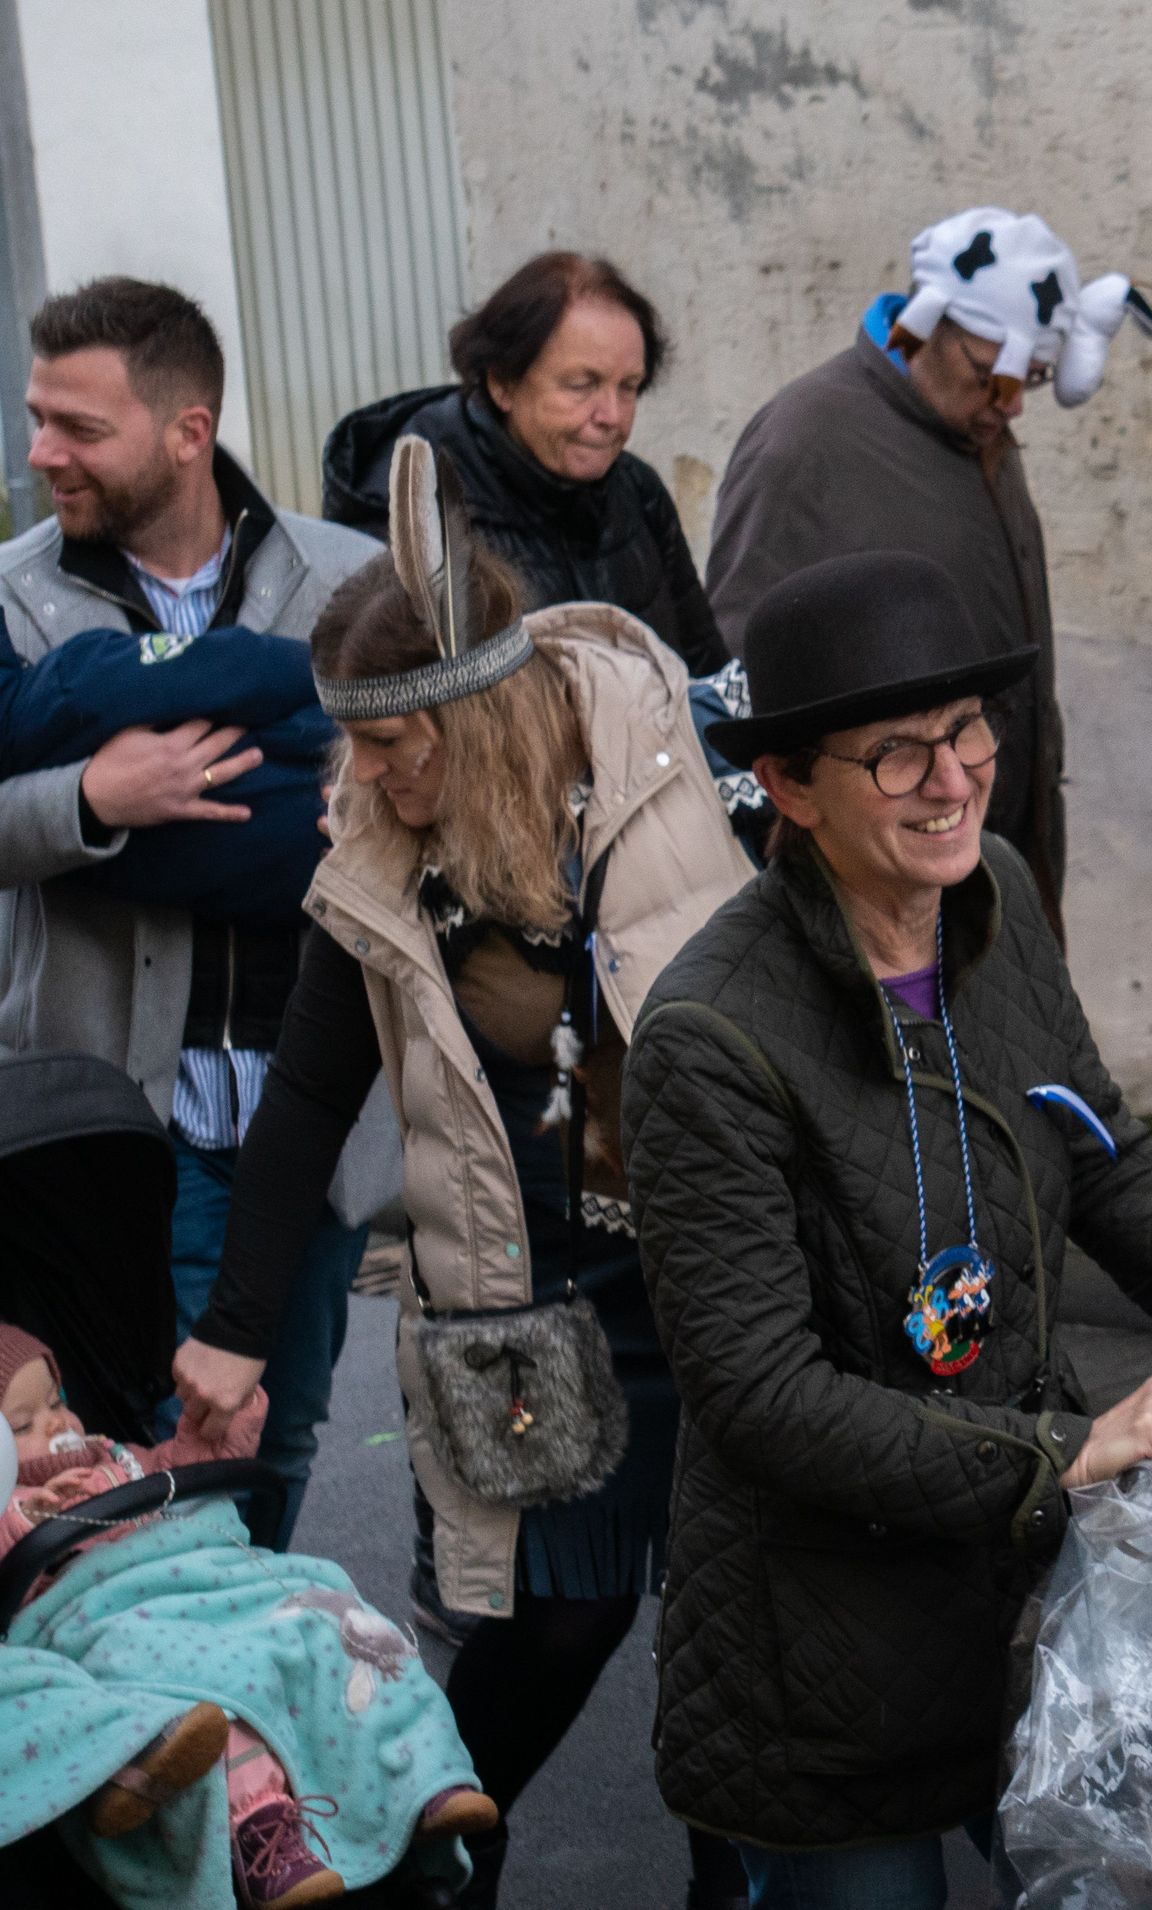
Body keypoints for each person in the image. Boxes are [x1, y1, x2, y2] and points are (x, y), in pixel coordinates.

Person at [619, 549, 1152, 1906]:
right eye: (900, 752)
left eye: (971, 730)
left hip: (1021, 1597)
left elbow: (1098, 1157)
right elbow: (760, 1392)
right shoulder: (706, 1035)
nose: (956, 776)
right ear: (793, 788)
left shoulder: (995, 904)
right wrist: (1065, 1447)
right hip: (821, 1649)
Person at [165, 439, 753, 1906]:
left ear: (478, 717)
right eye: (353, 745)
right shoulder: (379, 851)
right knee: (555, 1622)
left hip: (715, 1285)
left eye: (390, 743)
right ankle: (432, 1865)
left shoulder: (666, 783)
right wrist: (234, 1330)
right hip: (522, 1298)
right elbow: (307, 1095)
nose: (359, 778)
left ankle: (739, 1886)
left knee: (739, 1628)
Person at [0, 277, 384, 1544]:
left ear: (185, 430)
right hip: (114, 1123)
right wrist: (90, 798)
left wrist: (362, 816)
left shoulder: (348, 579)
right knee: (112, 1471)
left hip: (304, 1117)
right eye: (38, 417)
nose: (43, 450)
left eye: (78, 426)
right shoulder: (14, 598)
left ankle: (235, 1714)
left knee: (278, 1442)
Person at [706, 206, 1152, 939]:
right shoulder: (805, 442)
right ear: (926, 326)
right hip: (874, 891)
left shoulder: (978, 429)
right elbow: (736, 675)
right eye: (991, 376)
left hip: (1000, 867)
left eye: (1032, 381)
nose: (1009, 406)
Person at [2, 1327, 494, 1908]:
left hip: (212, 1585)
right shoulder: (11, 1505)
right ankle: (266, 1840)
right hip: (109, 1614)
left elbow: (193, 1464)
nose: (58, 1425)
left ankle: (422, 1777)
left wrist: (220, 1420)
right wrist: (22, 1518)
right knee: (213, 1689)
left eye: (58, 1403)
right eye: (23, 1424)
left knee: (330, 1620)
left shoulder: (122, 1458)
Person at [321, 250, 730, 680]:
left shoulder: (637, 491)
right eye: (581, 385)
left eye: (628, 388)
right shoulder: (412, 515)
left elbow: (708, 677)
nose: (612, 415)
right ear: (503, 384)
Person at [0, 622, 331, 926]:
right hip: (103, 969)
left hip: (311, 966)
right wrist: (86, 800)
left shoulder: (345, 569)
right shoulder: (17, 586)